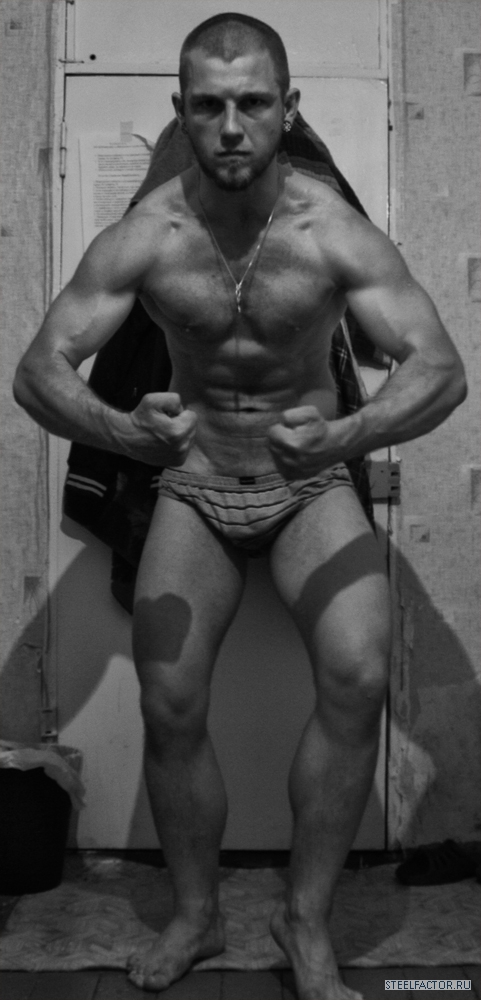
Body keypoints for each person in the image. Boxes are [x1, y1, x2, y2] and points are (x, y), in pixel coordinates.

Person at [13, 13, 466, 1000]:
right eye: (209, 105)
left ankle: (304, 919)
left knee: (358, 673)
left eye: (252, 103)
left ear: (286, 108)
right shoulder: (147, 236)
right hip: (194, 488)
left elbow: (441, 370)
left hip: (310, 488)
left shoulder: (330, 231)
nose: (230, 126)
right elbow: (37, 369)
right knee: (169, 703)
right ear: (180, 109)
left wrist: (346, 437)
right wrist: (123, 432)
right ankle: (196, 914)